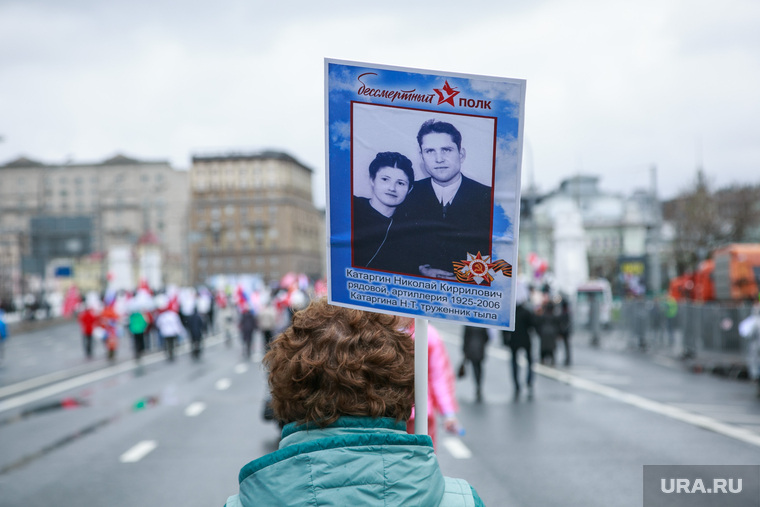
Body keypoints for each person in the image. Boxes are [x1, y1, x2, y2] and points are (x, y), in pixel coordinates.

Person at [223, 299, 484, 507]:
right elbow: (438, 377)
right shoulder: (463, 501)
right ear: (403, 382)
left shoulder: (242, 502)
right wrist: (447, 412)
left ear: (284, 390)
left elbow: (437, 375)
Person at [401, 119, 492, 279]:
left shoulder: (489, 197)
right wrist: (418, 269)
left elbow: (500, 256)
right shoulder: (406, 194)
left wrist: (465, 276)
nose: (439, 159)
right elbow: (394, 247)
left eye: (446, 150)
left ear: (461, 154)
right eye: (430, 151)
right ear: (421, 156)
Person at [352, 151, 415, 272]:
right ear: (372, 180)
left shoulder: (410, 228)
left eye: (401, 183)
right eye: (385, 179)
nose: (392, 188)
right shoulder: (351, 208)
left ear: (409, 189)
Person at [403, 318, 460, 449]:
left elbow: (439, 377)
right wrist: (448, 413)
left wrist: (448, 413)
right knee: (422, 459)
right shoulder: (428, 334)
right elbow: (439, 377)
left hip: (387, 412)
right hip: (420, 411)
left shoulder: (379, 331)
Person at [503, 297, 537, 398]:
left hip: (513, 341)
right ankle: (529, 380)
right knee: (530, 361)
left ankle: (516, 384)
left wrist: (505, 341)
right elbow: (533, 324)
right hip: (525, 340)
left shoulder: (510, 313)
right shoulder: (526, 312)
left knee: (514, 363)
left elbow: (504, 329)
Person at [460, 325, 489, 402]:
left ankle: (477, 384)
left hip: (471, 349)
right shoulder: (482, 325)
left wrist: (464, 350)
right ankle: (479, 384)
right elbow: (487, 338)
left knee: (475, 367)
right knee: (479, 367)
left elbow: (465, 338)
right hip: (480, 349)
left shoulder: (468, 325)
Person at [154, 296, 184, 362]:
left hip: (166, 332)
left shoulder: (163, 316)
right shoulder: (173, 315)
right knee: (172, 343)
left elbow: (158, 324)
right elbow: (177, 324)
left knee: (168, 343)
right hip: (172, 332)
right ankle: (171, 353)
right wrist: (179, 331)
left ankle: (169, 353)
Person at [557, 297, 572, 366]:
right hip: (566, 332)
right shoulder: (567, 312)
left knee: (565, 346)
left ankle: (567, 359)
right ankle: (567, 359)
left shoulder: (564, 313)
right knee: (566, 347)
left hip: (564, 332)